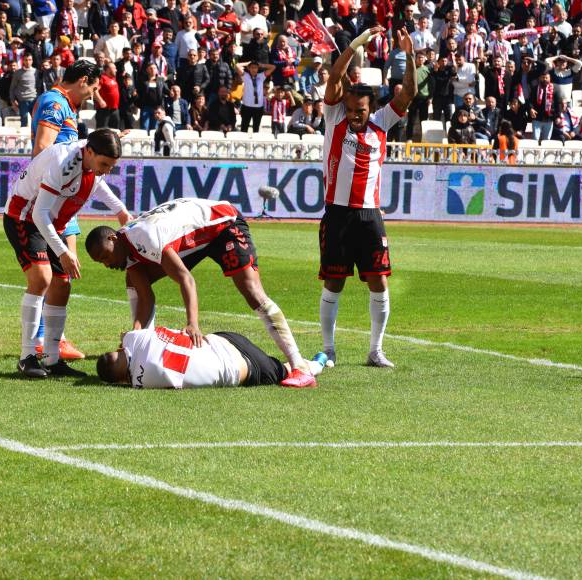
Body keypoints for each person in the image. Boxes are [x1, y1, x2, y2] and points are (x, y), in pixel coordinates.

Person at [85, 198, 317, 388]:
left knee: (252, 291)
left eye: (105, 256)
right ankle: (143, 345)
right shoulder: (127, 250)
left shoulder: (146, 238)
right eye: (100, 262)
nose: (106, 264)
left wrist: (192, 324)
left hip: (224, 225)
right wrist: (135, 334)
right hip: (196, 240)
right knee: (134, 279)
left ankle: (299, 367)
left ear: (113, 238)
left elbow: (186, 279)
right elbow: (146, 297)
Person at [318, 25, 417, 369]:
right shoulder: (334, 118)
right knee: (334, 281)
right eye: (351, 109)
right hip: (338, 214)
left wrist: (409, 55)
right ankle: (329, 349)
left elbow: (409, 94)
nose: (355, 115)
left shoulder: (380, 124)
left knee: (379, 281)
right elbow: (334, 77)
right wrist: (357, 44)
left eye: (360, 110)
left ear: (370, 108)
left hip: (370, 215)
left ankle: (375, 350)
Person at [4, 130, 132, 379]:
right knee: (41, 279)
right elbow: (39, 213)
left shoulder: (91, 161)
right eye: (104, 164)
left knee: (62, 286)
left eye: (111, 166)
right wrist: (63, 251)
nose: (107, 170)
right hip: (25, 217)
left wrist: (121, 211)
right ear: (90, 152)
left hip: (52, 222)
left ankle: (53, 360)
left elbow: (99, 184)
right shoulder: (64, 164)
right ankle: (27, 357)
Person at [29, 59, 104, 360]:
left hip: (66, 197)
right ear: (83, 80)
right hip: (55, 198)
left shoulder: (67, 108)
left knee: (64, 274)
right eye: (93, 88)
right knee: (56, 271)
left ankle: (51, 338)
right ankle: (42, 338)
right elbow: (42, 149)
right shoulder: (55, 103)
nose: (92, 95)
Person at [97, 326, 326, 388]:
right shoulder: (135, 340)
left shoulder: (142, 382)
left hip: (241, 368)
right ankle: (320, 360)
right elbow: (125, 335)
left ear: (121, 381)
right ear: (118, 351)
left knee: (285, 371)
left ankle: (318, 362)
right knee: (284, 369)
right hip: (224, 339)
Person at [236, 59, 275, 132]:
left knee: (256, 129)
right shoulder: (245, 76)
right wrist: (247, 63)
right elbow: (237, 65)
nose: (254, 69)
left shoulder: (261, 76)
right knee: (244, 128)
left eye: (255, 67)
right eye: (252, 67)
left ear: (258, 69)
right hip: (247, 106)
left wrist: (261, 65)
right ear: (249, 68)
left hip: (258, 107)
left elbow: (273, 67)